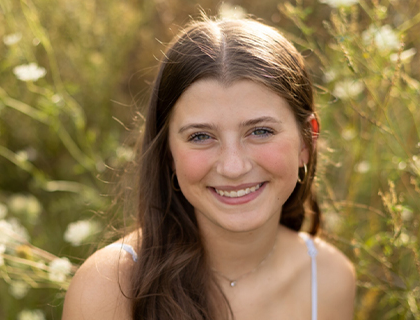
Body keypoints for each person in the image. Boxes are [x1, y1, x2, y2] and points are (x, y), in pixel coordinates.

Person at [62, 17, 355, 320]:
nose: (233, 166)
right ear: (168, 154)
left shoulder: (330, 279)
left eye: (261, 131)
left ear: (307, 142)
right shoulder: (107, 289)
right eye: (200, 136)